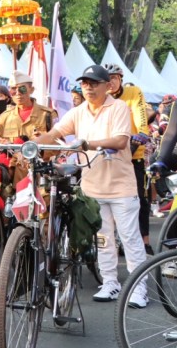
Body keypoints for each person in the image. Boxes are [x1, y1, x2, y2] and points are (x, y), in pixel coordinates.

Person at [35, 64, 148, 306]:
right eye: (85, 83)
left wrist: (86, 144)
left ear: (108, 86)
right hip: (92, 188)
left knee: (129, 238)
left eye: (93, 83)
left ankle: (139, 288)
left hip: (121, 188)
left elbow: (119, 140)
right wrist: (33, 144)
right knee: (102, 239)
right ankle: (110, 283)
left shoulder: (118, 108)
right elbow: (55, 133)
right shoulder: (78, 111)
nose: (88, 87)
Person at [103, 62, 153, 253]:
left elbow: (140, 115)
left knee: (139, 198)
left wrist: (141, 132)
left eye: (114, 78)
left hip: (133, 152)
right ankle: (111, 241)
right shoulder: (102, 97)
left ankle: (145, 240)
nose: (111, 83)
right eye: (107, 80)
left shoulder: (133, 93)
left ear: (121, 79)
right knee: (108, 199)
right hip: (109, 152)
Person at [0, 71, 57, 184]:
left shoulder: (47, 115)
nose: (18, 93)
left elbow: (58, 146)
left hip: (39, 177)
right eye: (13, 90)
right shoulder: (5, 117)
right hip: (11, 179)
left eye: (22, 89)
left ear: (31, 90)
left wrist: (39, 150)